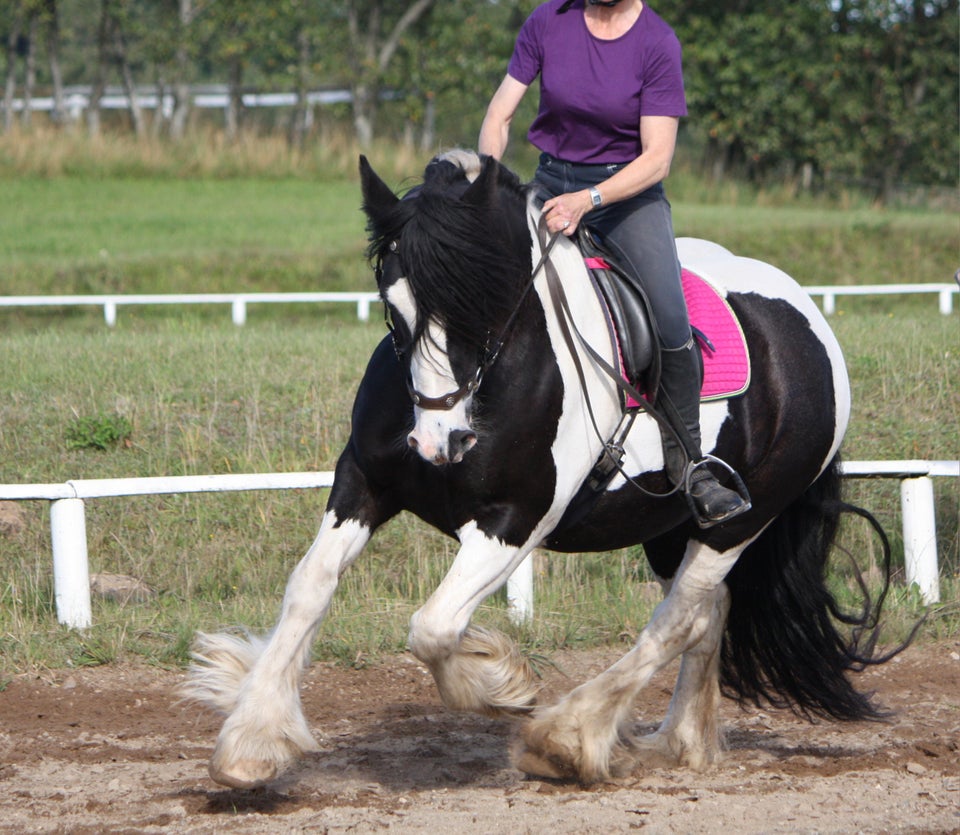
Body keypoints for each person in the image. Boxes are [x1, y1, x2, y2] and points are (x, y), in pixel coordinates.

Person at [478, 0, 749, 527]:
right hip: (550, 181)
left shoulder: (657, 43)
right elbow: (499, 114)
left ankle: (692, 466)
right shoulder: (547, 20)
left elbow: (657, 158)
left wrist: (590, 200)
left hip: (627, 196)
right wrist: (491, 185)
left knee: (671, 320)